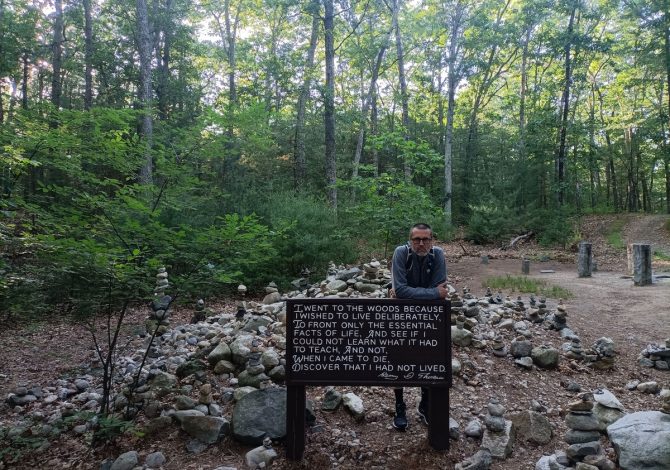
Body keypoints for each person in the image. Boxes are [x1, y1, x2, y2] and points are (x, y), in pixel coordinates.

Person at [389, 222, 448, 430]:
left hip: (428, 318)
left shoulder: (438, 255)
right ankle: (399, 405)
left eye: (425, 239)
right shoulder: (400, 253)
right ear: (410, 240)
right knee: (397, 360)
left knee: (428, 357)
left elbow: (439, 287)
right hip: (400, 317)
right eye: (417, 239)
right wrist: (432, 294)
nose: (421, 243)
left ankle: (425, 404)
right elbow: (404, 290)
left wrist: (405, 293)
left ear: (432, 241)